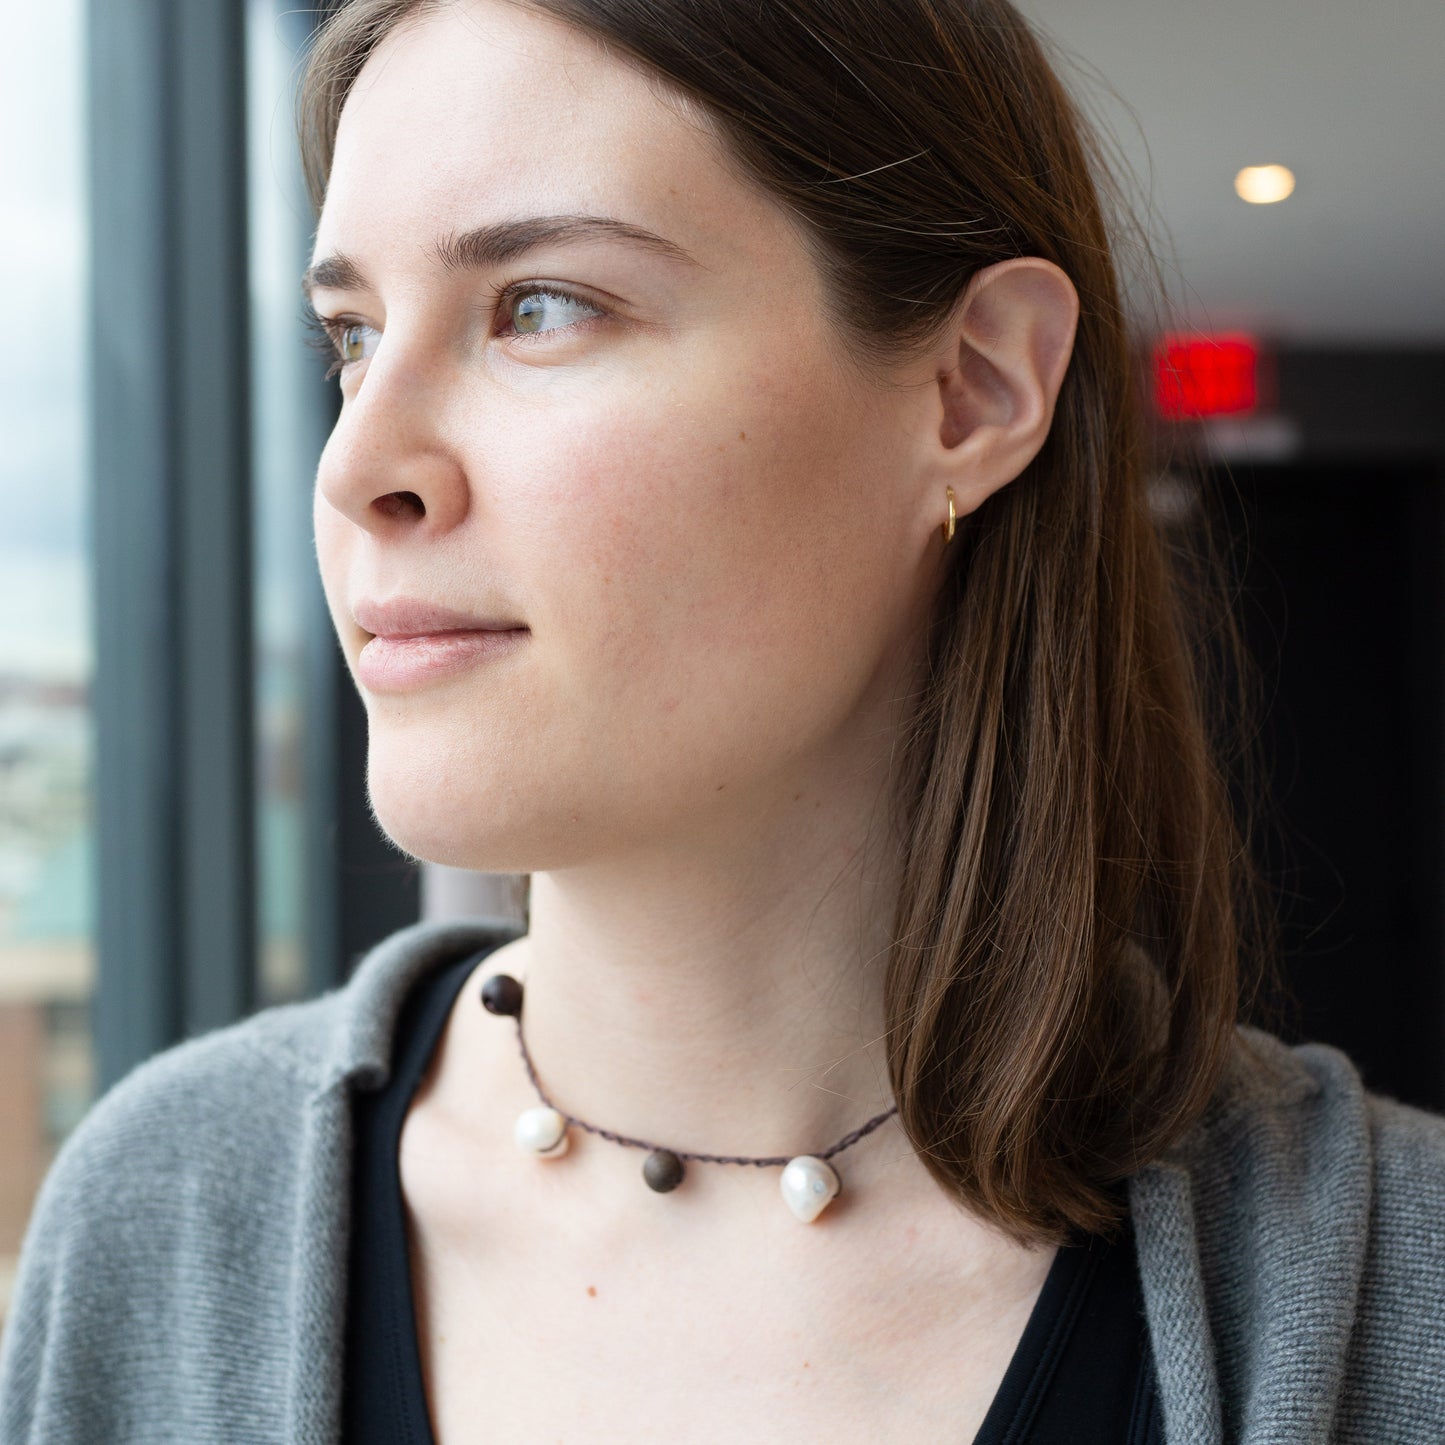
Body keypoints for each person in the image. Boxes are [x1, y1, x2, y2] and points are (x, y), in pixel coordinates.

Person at [3, 0, 1444, 1440]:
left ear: (973, 387)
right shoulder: (167, 1217)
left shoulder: (1403, 1300)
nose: (357, 464)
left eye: (540, 306)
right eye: (352, 337)